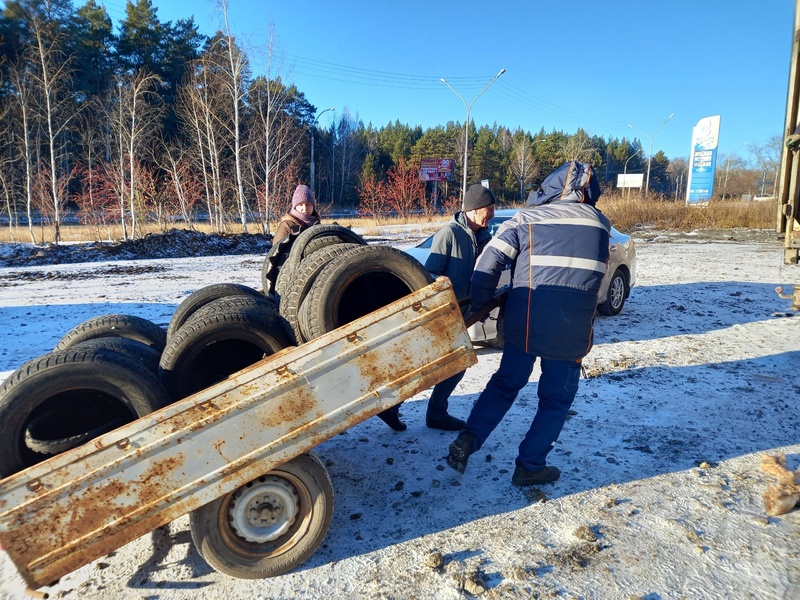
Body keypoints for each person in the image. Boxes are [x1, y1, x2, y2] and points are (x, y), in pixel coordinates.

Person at [445, 161, 611, 487]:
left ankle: (468, 439)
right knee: (556, 400)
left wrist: (480, 303)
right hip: (571, 333)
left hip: (525, 323)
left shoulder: (527, 219)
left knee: (505, 384)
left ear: (548, 188)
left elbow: (488, 264)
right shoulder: (600, 225)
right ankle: (530, 465)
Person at [423, 183, 495, 431]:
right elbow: (431, 273)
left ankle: (436, 413)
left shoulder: (483, 238)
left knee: (458, 364)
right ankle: (401, 409)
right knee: (428, 366)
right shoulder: (450, 233)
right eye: (490, 210)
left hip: (464, 312)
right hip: (443, 313)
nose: (493, 215)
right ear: (474, 210)